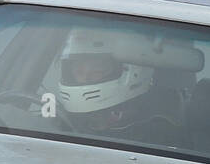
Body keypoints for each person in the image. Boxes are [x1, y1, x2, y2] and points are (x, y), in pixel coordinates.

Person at [51, 27, 190, 147]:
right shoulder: (60, 120)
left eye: (96, 72)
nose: (85, 79)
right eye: (78, 72)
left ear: (133, 72)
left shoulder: (159, 131)